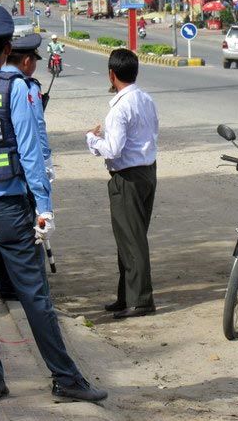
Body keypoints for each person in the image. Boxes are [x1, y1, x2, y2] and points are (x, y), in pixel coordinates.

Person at [0, 5, 107, 403]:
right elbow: (30, 154)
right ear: (8, 47)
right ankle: (65, 378)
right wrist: (44, 208)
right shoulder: (15, 88)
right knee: (35, 296)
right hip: (9, 210)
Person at [86, 49, 159, 319]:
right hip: (147, 173)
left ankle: (141, 300)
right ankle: (125, 295)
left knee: (132, 240)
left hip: (127, 178)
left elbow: (113, 149)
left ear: (112, 75)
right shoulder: (146, 99)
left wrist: (92, 140)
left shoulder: (119, 108)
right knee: (128, 237)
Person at [0, 33, 54, 300]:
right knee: (32, 232)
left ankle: (4, 285)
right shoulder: (25, 87)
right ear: (27, 61)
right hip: (23, 171)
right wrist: (45, 173)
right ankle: (32, 292)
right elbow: (35, 135)